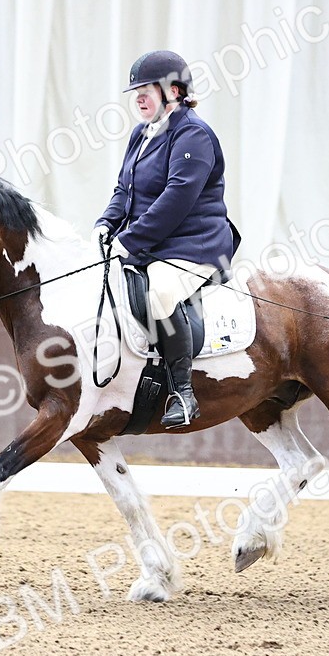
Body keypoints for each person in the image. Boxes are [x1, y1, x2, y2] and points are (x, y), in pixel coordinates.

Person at [94, 50, 240, 429]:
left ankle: (182, 393)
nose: (138, 97)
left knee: (160, 291)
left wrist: (130, 240)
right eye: (135, 91)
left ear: (174, 90)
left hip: (194, 245)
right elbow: (124, 189)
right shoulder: (140, 134)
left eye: (146, 89)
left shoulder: (194, 133)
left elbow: (177, 198)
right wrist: (106, 224)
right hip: (151, 244)